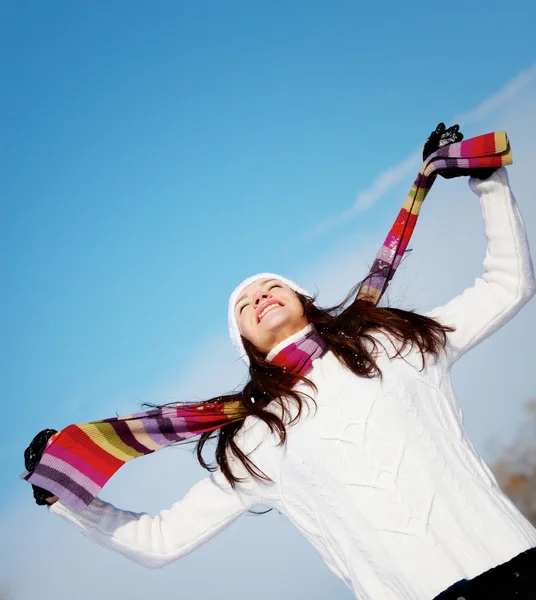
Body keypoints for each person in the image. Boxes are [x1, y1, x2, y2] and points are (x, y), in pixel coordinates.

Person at [26, 125, 536, 599]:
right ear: (245, 344)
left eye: (272, 285)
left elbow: (507, 284)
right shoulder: (257, 437)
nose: (260, 295)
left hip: (517, 558)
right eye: (245, 305)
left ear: (302, 300)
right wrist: (66, 497)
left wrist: (486, 180)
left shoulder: (392, 343)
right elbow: (160, 539)